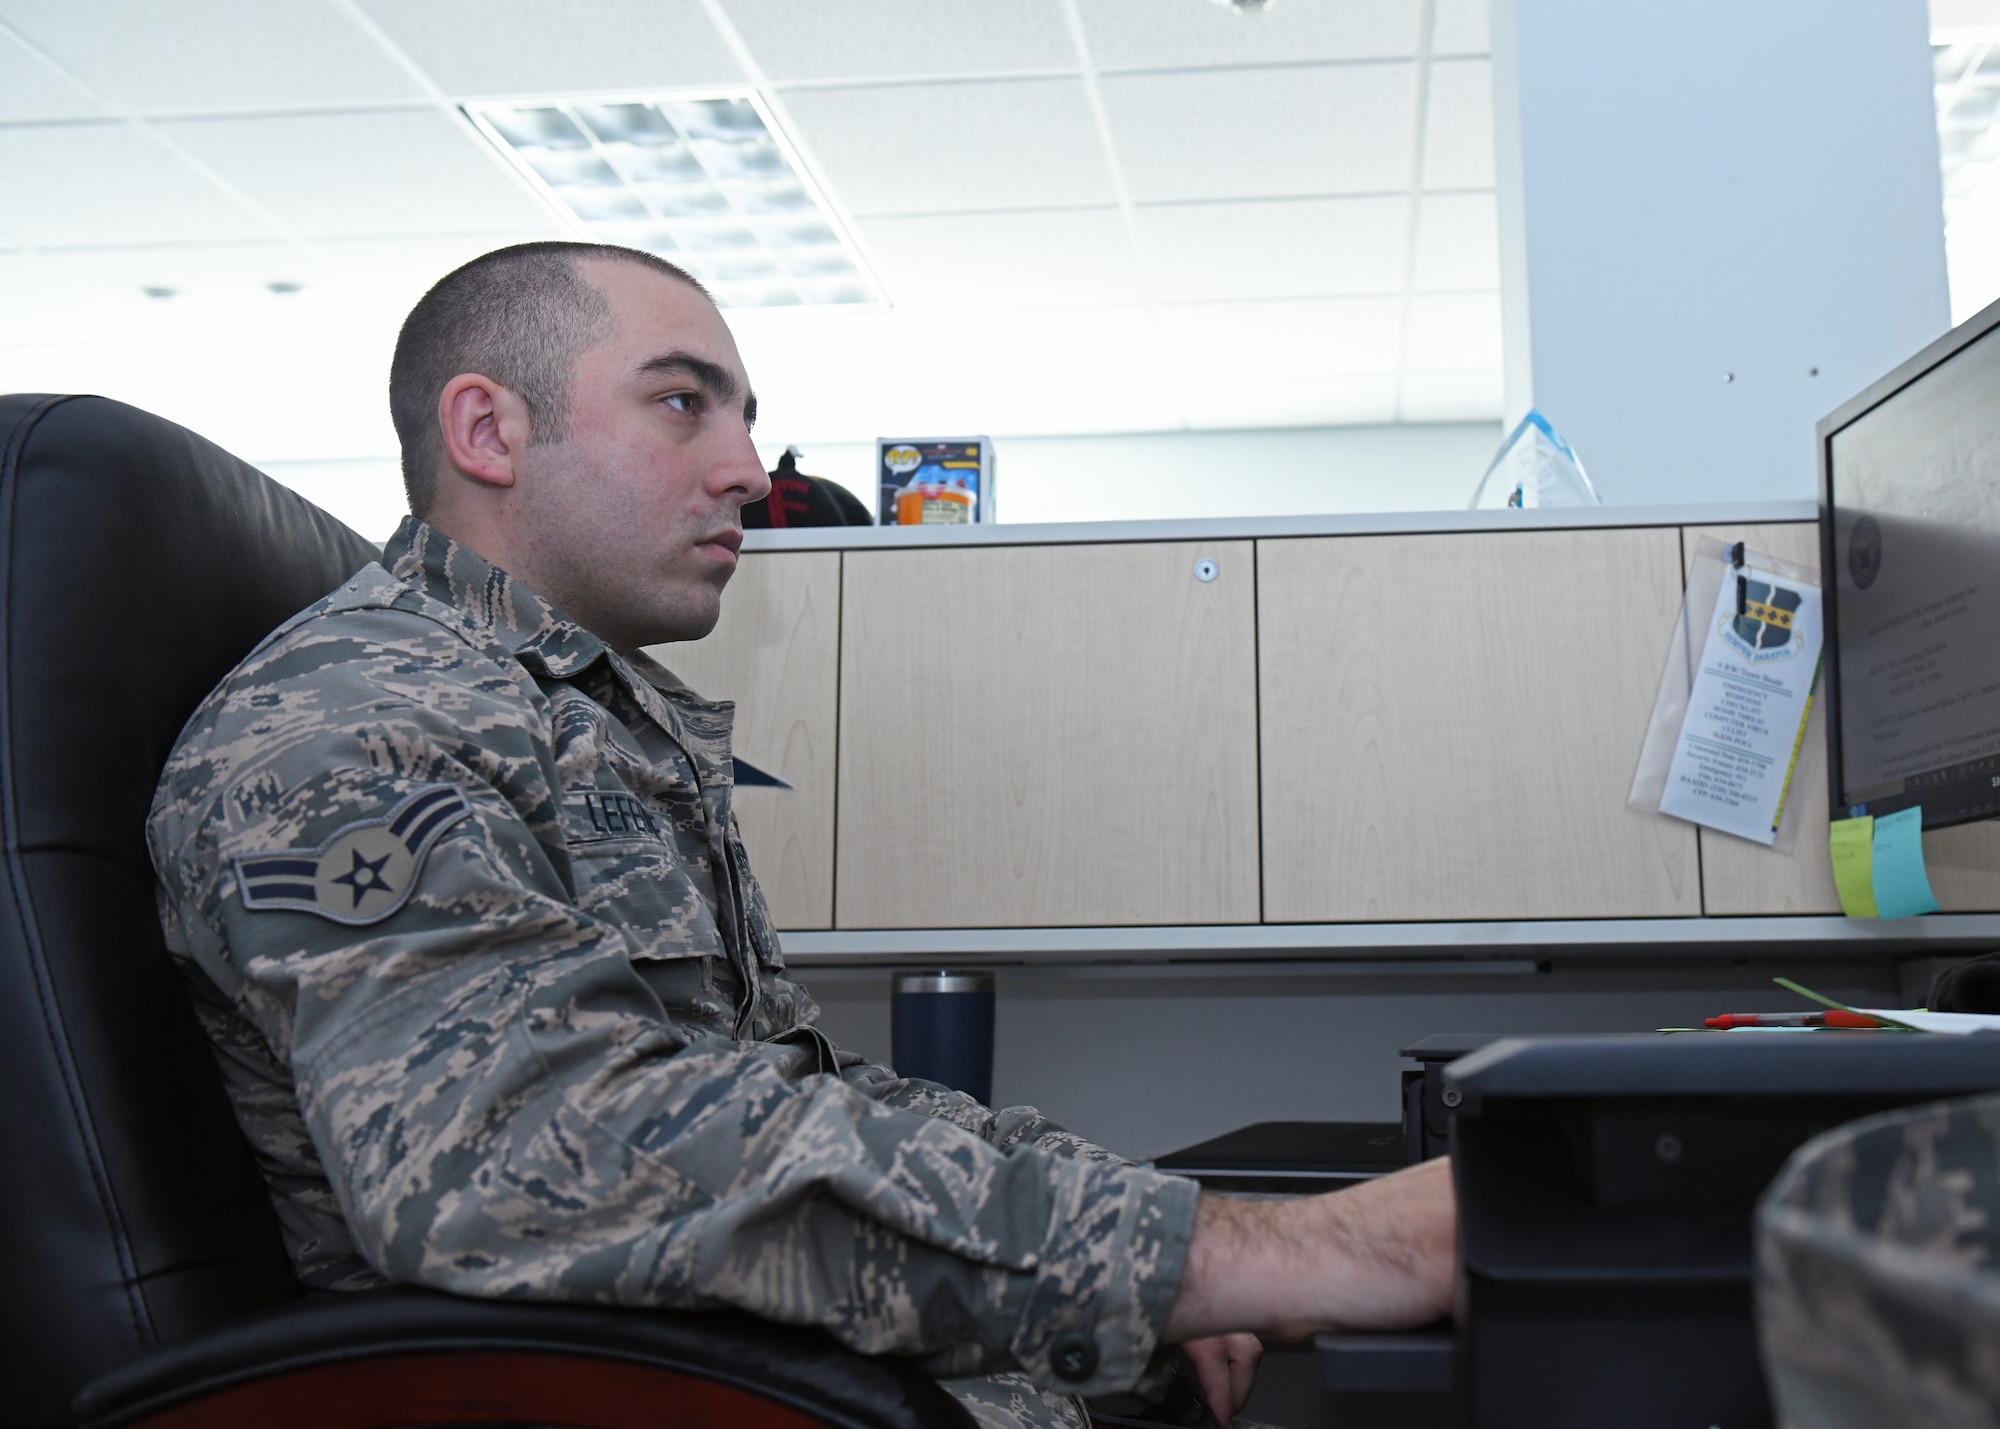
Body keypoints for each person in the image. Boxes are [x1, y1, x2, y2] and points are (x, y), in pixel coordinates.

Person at [146, 242, 1455, 1429]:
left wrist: (1173, 1242)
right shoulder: (350, 720)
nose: (746, 470)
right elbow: (536, 1162)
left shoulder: (583, 719)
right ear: (488, 429)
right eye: (681, 402)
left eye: (746, 416)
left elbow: (787, 1098)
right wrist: (1271, 1258)